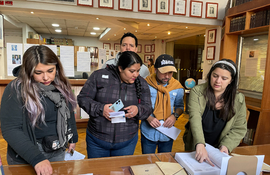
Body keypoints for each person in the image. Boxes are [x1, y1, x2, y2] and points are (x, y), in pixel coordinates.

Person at [0, 45, 78, 175]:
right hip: (28, 154)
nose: (46, 77)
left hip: (57, 149)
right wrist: (36, 158)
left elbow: (69, 113)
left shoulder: (61, 85)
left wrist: (72, 137)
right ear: (28, 71)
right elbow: (11, 129)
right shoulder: (16, 89)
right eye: (38, 73)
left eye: (50, 70)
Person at [78, 51, 152, 158]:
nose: (136, 74)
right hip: (97, 140)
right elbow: (83, 99)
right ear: (120, 68)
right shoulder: (98, 76)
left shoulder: (141, 83)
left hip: (126, 141)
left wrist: (138, 109)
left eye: (138, 70)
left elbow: (148, 108)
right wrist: (101, 108)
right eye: (131, 71)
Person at [183, 59, 247, 166]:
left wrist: (226, 145)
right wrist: (200, 143)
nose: (218, 81)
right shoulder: (197, 92)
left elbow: (239, 128)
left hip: (219, 149)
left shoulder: (238, 99)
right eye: (215, 76)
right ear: (210, 75)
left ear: (231, 80)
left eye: (224, 78)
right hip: (196, 143)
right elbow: (195, 118)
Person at [141, 54, 184, 154]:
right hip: (148, 132)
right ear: (155, 70)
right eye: (164, 72)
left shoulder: (177, 87)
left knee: (164, 162)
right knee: (147, 163)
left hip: (167, 133)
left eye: (170, 73)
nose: (167, 76)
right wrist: (148, 117)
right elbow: (140, 105)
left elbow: (180, 106)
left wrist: (175, 116)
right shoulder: (145, 84)